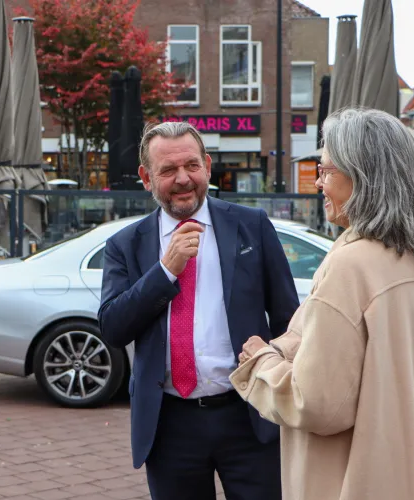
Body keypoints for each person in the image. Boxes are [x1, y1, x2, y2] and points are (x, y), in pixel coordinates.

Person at [230, 108, 414, 500]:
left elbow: (317, 404)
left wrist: (261, 364)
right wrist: (286, 348)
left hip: (353, 482)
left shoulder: (350, 265)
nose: (319, 184)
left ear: (363, 177)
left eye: (326, 171)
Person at [98, 121, 300, 500]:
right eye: (168, 170)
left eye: (191, 165)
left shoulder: (251, 226)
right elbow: (112, 328)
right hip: (170, 422)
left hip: (249, 413)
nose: (183, 179)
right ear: (146, 177)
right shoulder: (126, 245)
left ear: (207, 166)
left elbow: (289, 318)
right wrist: (164, 271)